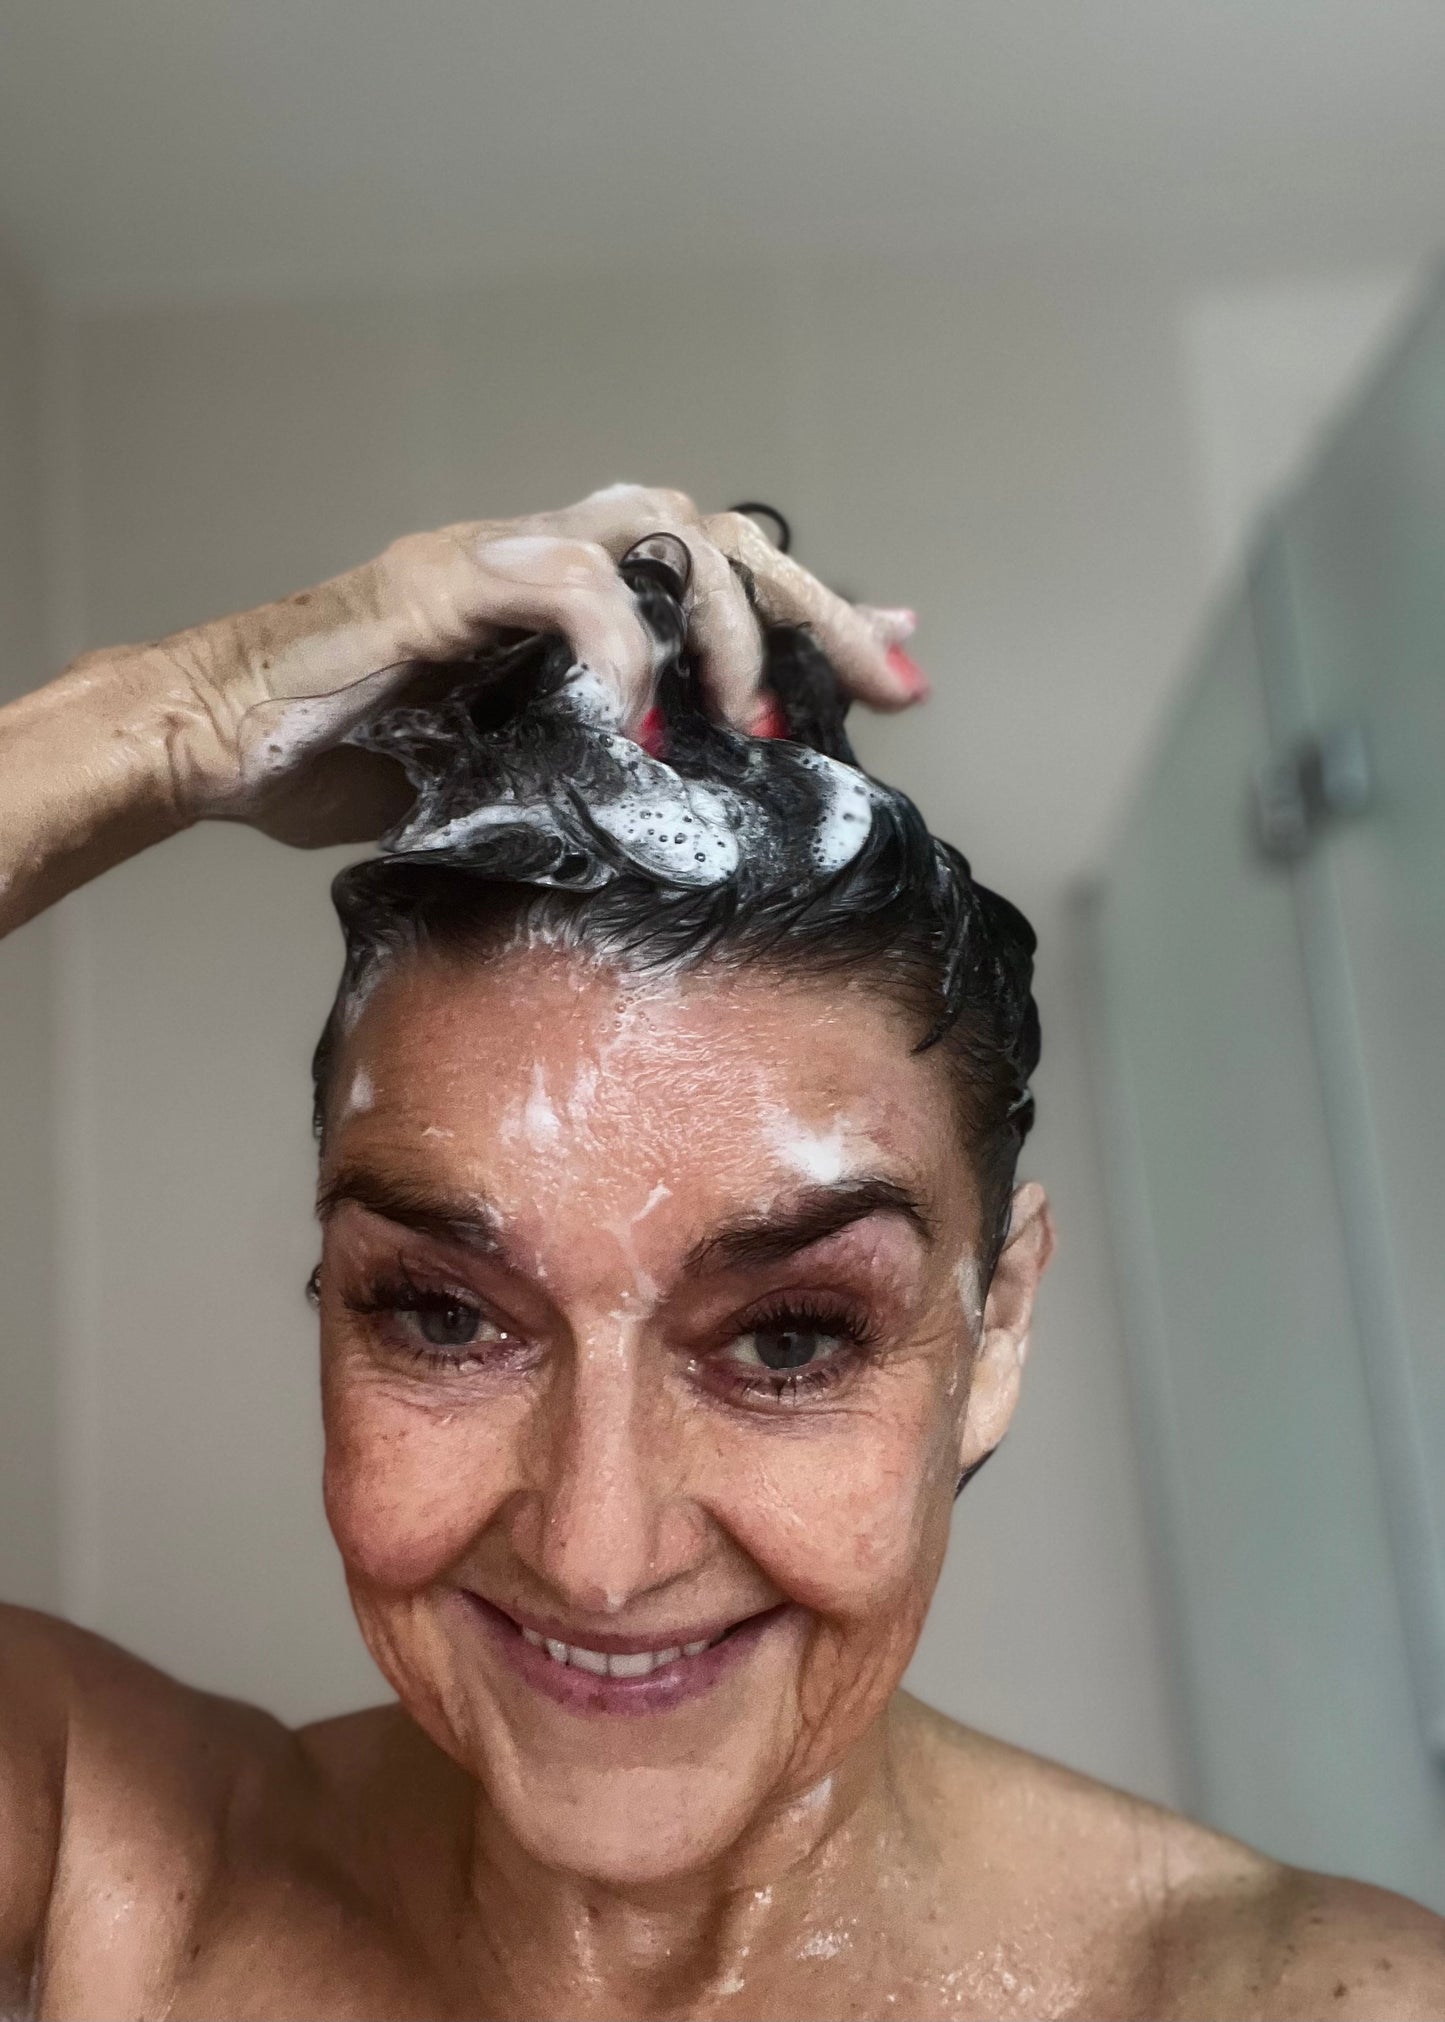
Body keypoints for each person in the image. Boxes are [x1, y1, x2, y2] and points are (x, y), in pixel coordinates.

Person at [0, 486, 1440, 2021]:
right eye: (440, 1315)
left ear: (995, 1322)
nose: (596, 1553)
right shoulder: (125, 1875)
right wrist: (170, 715)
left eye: (790, 1337)